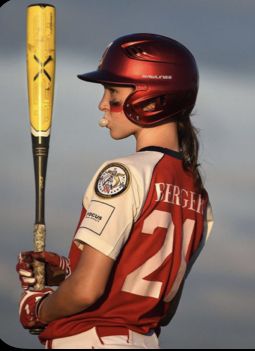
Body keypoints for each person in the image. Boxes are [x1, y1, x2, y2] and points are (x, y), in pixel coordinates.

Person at [17, 33, 213, 349]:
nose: (102, 104)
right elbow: (163, 307)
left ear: (152, 100)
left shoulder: (123, 172)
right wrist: (70, 272)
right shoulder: (198, 193)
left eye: (112, 91)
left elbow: (85, 292)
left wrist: (38, 309)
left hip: (90, 340)